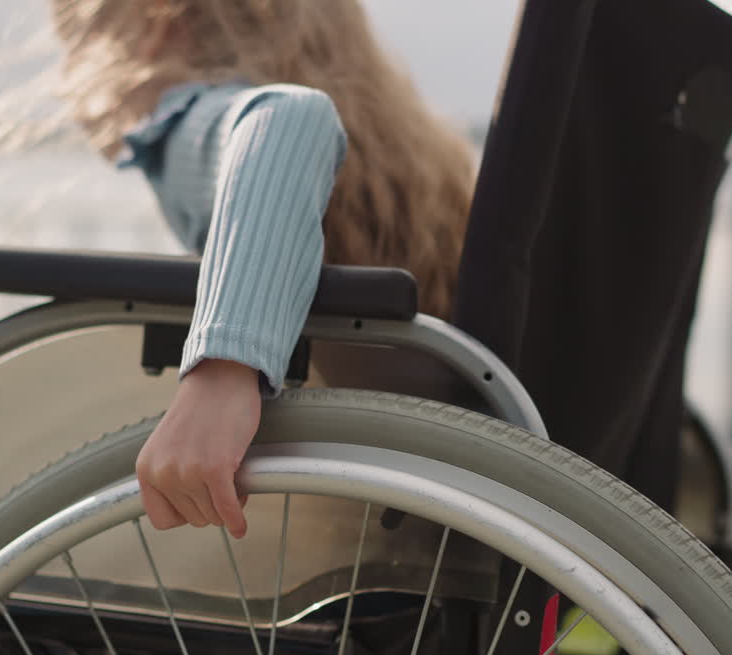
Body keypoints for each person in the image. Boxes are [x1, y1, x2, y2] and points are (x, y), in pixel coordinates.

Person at [47, 0, 476, 537]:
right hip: (443, 519)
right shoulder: (419, 166)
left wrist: (223, 372)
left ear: (157, 24)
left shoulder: (187, 117)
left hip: (336, 535)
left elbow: (289, 122)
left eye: (81, 34)